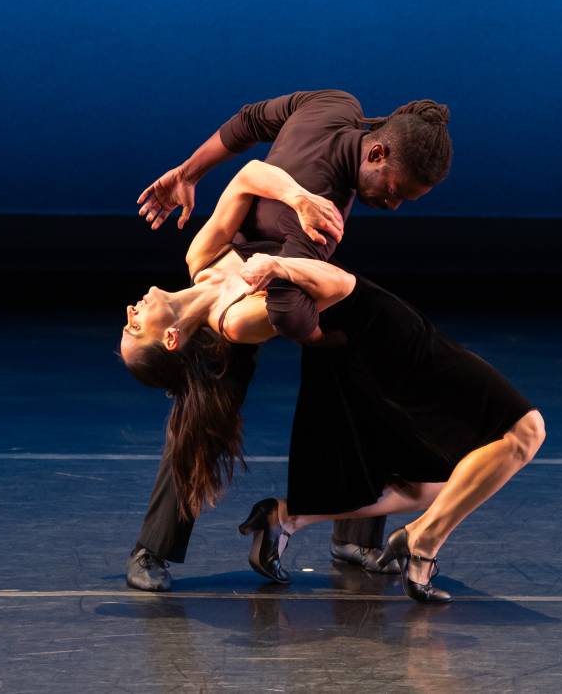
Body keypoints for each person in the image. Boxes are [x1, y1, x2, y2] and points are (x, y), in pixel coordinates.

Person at [121, 161, 546, 603]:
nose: (130, 311)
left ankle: (316, 527)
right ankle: (161, 547)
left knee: (420, 473)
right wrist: (283, 268)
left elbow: (248, 173)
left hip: (346, 330)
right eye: (134, 327)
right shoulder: (237, 319)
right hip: (353, 327)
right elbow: (333, 290)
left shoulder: (201, 259)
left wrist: (297, 200)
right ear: (171, 338)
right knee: (463, 461)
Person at [126, 90, 453, 592]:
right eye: (395, 191)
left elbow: (249, 129)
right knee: (203, 409)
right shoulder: (320, 218)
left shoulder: (333, 105)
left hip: (261, 279)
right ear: (376, 153)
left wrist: (190, 173)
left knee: (361, 390)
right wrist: (321, 323)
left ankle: (355, 537)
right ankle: (154, 547)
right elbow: (288, 311)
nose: (392, 205)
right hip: (272, 294)